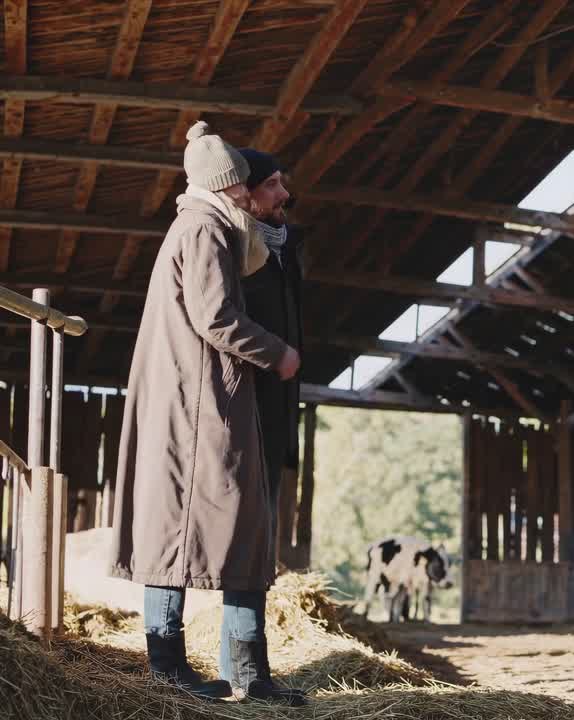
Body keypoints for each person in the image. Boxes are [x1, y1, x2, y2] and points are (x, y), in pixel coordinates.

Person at [107, 121, 305, 706]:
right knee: (180, 528)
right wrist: (278, 353)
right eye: (246, 185)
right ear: (226, 186)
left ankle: (246, 670)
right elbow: (214, 317)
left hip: (202, 392)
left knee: (230, 525)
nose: (253, 194)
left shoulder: (210, 226)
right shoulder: (201, 228)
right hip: (196, 398)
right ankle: (169, 668)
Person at [236, 147, 303, 554]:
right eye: (271, 184)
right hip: (240, 401)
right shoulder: (229, 247)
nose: (284, 195)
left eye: (283, 183)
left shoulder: (286, 249)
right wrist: (276, 354)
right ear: (246, 193)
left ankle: (250, 614)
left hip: (277, 403)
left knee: (264, 517)